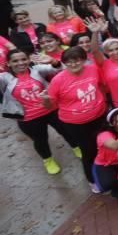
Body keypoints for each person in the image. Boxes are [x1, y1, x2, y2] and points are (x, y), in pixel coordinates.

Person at [0, 49, 78, 175]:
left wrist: (53, 61)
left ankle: (76, 147)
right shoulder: (4, 78)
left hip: (51, 110)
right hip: (28, 118)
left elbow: (59, 69)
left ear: (29, 60)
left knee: (66, 130)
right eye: (15, 61)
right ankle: (48, 160)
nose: (20, 63)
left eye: (23, 59)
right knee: (40, 140)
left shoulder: (37, 69)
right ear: (8, 63)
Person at [43, 47, 107, 190]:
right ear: (64, 63)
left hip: (99, 117)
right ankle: (92, 180)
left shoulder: (93, 69)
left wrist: (104, 103)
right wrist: (46, 100)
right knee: (88, 151)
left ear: (84, 60)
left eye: (77, 60)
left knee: (103, 146)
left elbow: (101, 86)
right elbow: (49, 106)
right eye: (69, 62)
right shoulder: (58, 80)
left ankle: (106, 172)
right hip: (76, 124)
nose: (73, 64)